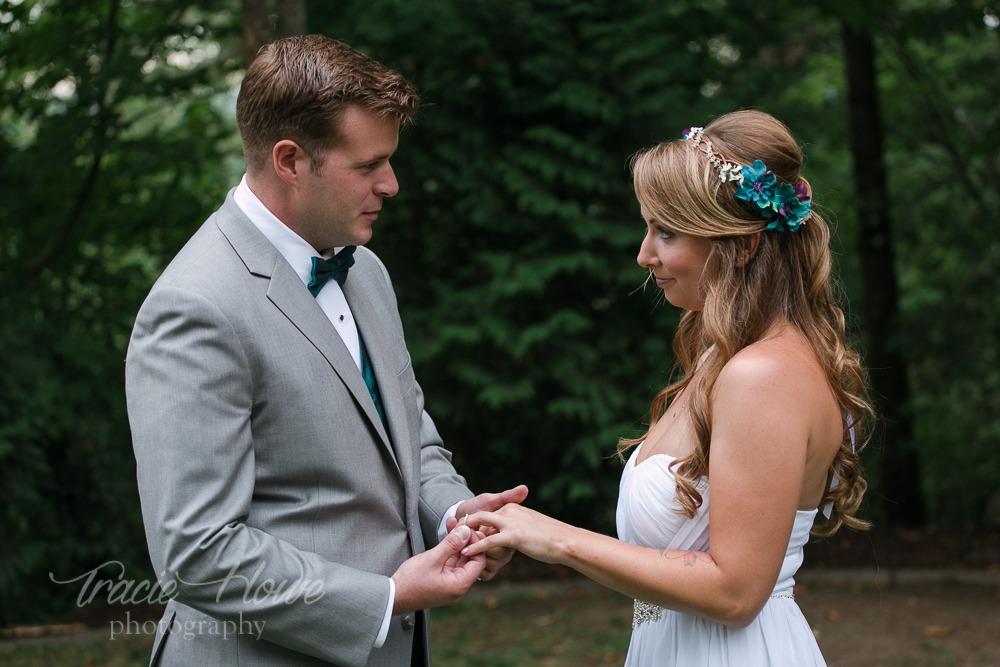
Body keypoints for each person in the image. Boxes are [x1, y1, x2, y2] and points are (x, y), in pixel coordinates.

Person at [125, 35, 526, 667]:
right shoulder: (196, 307)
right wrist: (385, 598)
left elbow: (408, 437)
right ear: (289, 160)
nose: (391, 183)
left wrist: (454, 514)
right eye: (368, 166)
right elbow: (198, 552)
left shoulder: (365, 270)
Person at [464, 110, 871, 666]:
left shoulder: (763, 375)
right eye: (647, 227)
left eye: (666, 232)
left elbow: (736, 592)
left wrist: (557, 539)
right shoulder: (723, 358)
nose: (644, 254)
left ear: (741, 246)